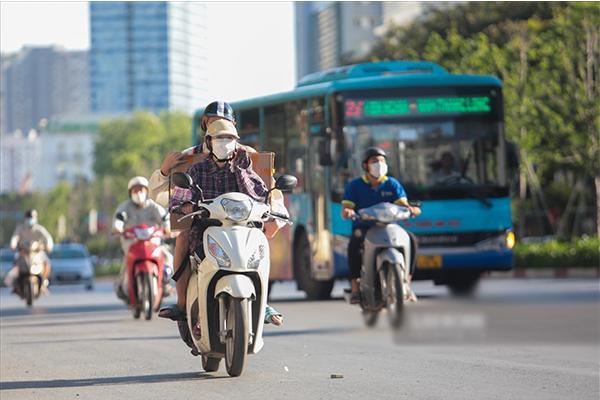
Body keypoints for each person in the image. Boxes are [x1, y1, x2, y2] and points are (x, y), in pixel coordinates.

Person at [158, 119, 285, 326]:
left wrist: (242, 169)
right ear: (209, 141)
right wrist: (186, 206)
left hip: (242, 229)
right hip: (206, 229)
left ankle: (263, 304)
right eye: (219, 138)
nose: (225, 142)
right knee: (183, 239)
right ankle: (182, 304)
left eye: (230, 139)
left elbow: (260, 194)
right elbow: (178, 199)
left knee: (261, 245)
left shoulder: (245, 165)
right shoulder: (197, 170)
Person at [340, 147, 421, 304]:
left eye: (382, 161)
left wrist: (410, 209)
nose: (379, 164)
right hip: (364, 227)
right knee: (354, 244)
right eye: (375, 161)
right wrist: (348, 212)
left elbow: (403, 205)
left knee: (411, 239)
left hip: (389, 226)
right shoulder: (355, 185)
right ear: (366, 166)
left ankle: (407, 283)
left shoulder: (392, 184)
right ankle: (355, 287)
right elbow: (346, 208)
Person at [112, 176, 171, 302]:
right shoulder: (125, 207)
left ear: (147, 191)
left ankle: (166, 282)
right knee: (126, 263)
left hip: (152, 241)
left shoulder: (153, 206)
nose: (138, 193)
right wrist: (118, 228)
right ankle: (122, 287)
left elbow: (164, 217)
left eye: (141, 190)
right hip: (131, 242)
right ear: (130, 193)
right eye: (135, 190)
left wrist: (167, 229)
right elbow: (119, 218)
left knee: (167, 256)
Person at [9, 209, 54, 292]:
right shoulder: (21, 229)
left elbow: (48, 238)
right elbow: (15, 238)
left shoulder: (39, 229)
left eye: (32, 217)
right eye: (29, 217)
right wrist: (13, 245)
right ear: (25, 218)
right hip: (23, 252)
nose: (30, 220)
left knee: (47, 263)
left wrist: (49, 246)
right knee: (15, 262)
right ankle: (16, 285)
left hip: (37, 253)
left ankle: (44, 282)